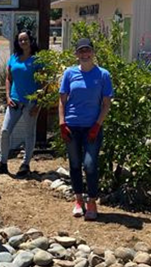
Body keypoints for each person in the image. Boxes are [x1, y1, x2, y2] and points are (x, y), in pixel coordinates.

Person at [59, 38, 114, 221]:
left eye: (87, 51)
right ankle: (78, 200)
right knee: (74, 164)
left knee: (90, 165)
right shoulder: (69, 73)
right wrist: (62, 123)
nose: (85, 54)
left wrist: (97, 125)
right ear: (76, 54)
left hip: (92, 127)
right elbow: (62, 100)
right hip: (72, 125)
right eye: (81, 51)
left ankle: (92, 201)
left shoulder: (103, 75)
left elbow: (106, 104)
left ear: (93, 52)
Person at [0, 30, 41, 177]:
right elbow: (8, 79)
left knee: (29, 134)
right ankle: (3, 162)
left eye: (25, 40)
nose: (23, 42)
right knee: (5, 131)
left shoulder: (37, 60)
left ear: (31, 41)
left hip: (31, 102)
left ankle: (25, 164)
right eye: (20, 40)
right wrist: (7, 96)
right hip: (14, 101)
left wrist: (38, 104)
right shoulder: (14, 58)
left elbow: (44, 83)